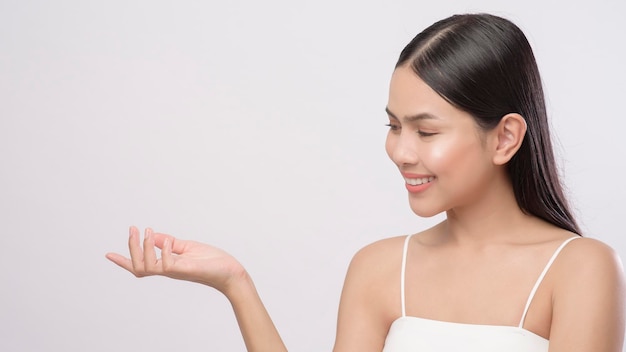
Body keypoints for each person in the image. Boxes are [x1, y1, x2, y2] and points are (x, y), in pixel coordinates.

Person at [106, 13, 625, 351]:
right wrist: (235, 283)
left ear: (505, 138)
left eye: (426, 130)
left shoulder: (579, 269)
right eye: (394, 126)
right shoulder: (378, 268)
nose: (400, 151)